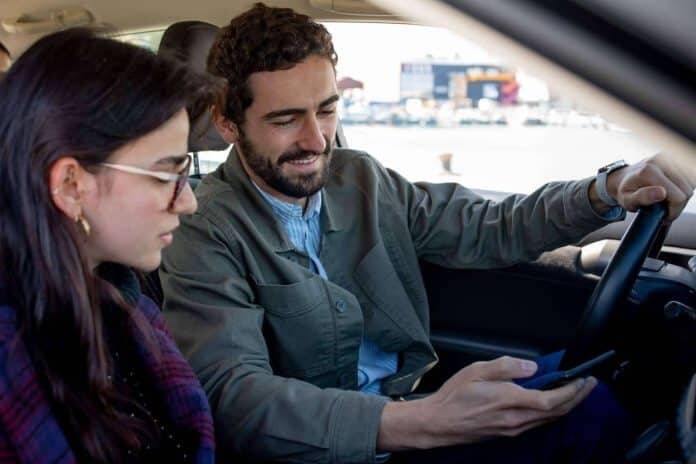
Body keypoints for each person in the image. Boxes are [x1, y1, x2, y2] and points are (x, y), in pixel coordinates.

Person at [159, 4, 695, 463]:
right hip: (337, 448)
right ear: (227, 124)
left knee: (603, 380)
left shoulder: (359, 178)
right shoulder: (202, 228)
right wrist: (421, 422)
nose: (316, 139)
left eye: (326, 110)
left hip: (412, 410)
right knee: (588, 417)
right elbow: (236, 397)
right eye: (285, 120)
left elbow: (490, 227)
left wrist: (606, 189)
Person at [0, 28, 222, 463]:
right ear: (71, 184)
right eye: (166, 175)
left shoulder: (125, 305)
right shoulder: (13, 357)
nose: (189, 202)